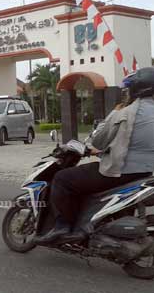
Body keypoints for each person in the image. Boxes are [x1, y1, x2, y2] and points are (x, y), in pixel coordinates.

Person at [34, 67, 154, 244]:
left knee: (63, 178)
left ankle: (63, 227)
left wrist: (114, 112)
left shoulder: (126, 112)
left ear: (136, 89)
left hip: (120, 171)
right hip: (146, 173)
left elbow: (98, 141)